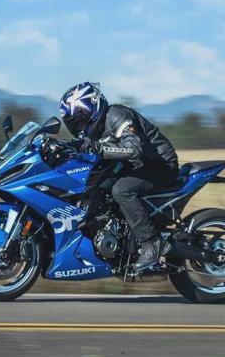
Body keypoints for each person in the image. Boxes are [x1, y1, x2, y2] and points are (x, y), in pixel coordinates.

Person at [59, 82, 179, 270]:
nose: (78, 124)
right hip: (135, 166)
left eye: (80, 117)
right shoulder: (94, 130)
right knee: (96, 186)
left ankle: (152, 243)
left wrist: (99, 148)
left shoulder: (117, 115)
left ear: (92, 106)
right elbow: (83, 144)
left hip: (159, 163)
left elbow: (134, 148)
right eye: (73, 122)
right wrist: (61, 146)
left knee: (122, 190)